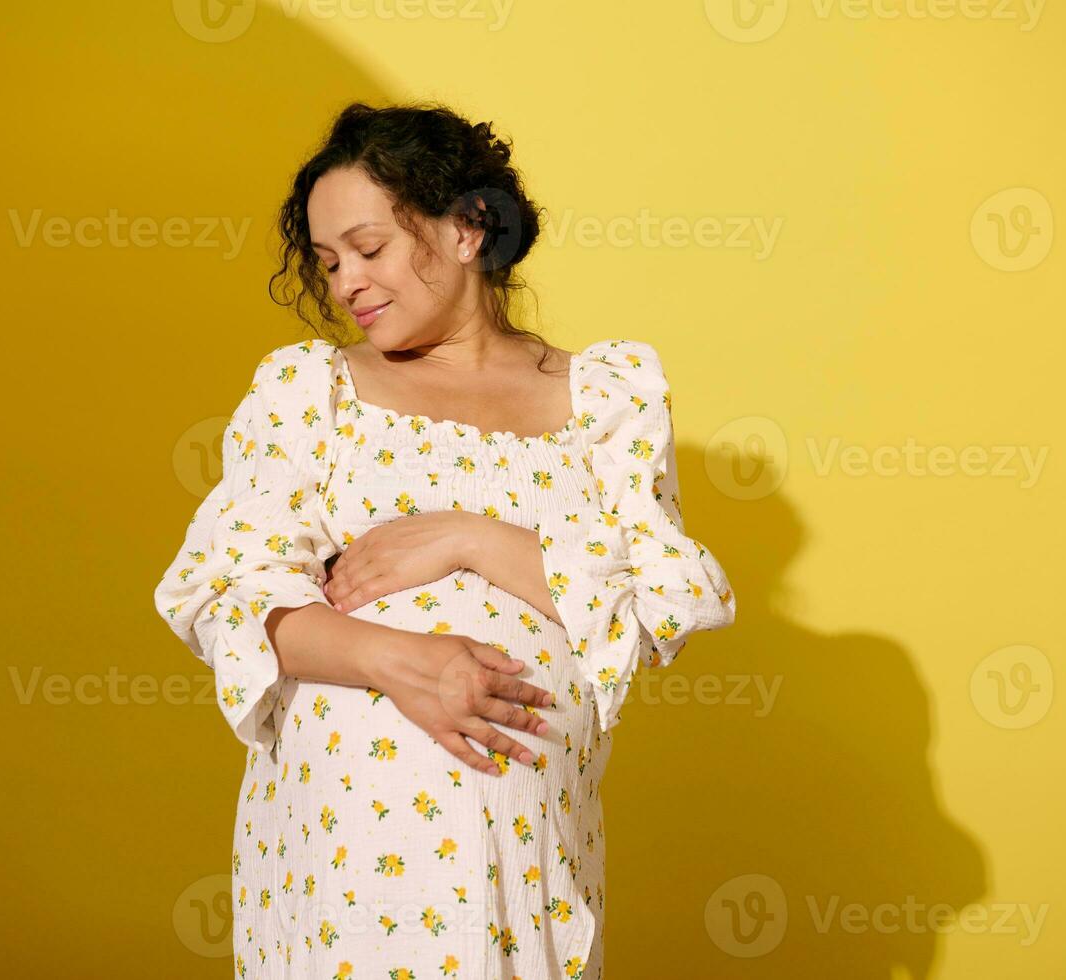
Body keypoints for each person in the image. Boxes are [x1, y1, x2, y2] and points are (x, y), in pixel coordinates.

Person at [152, 101, 737, 980]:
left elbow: (659, 611)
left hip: (524, 857)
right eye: (328, 261)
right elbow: (226, 597)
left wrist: (473, 540)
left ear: (466, 229)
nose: (347, 281)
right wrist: (397, 660)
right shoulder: (310, 395)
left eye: (370, 247)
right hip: (342, 863)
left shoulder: (603, 399)